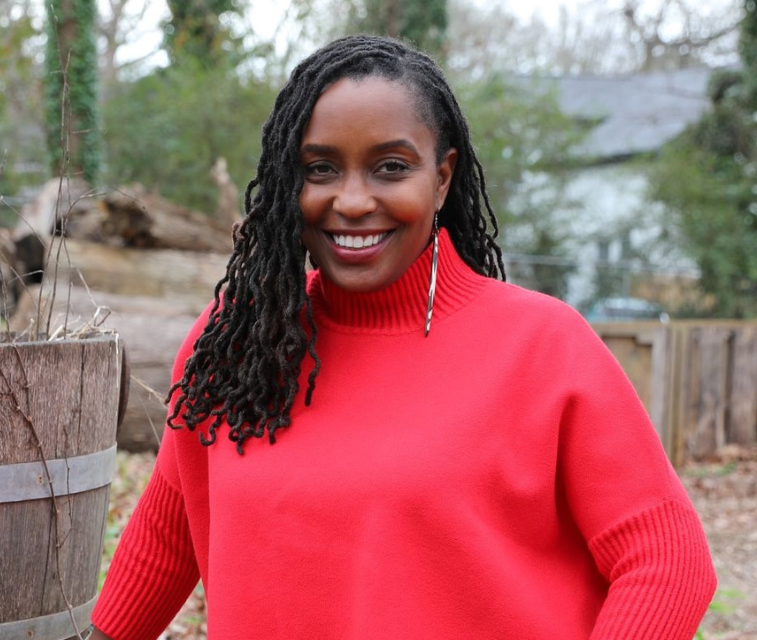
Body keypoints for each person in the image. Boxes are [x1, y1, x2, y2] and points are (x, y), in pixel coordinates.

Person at [89, 35, 716, 640]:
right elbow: (171, 527)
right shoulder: (239, 338)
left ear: (442, 179)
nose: (354, 200)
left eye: (392, 167)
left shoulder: (542, 345)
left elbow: (668, 561)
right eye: (320, 168)